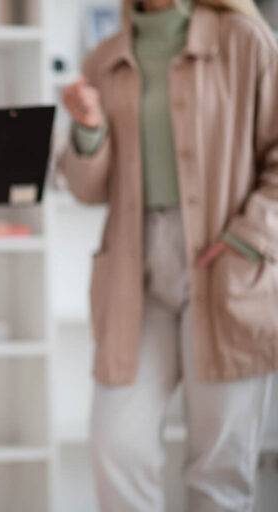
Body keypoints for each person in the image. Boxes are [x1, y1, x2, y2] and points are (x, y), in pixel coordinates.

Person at [60, 0, 277, 510]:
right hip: (135, 273)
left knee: (219, 467)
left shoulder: (245, 38)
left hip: (229, 265)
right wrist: (89, 128)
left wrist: (249, 238)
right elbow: (88, 188)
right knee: (117, 444)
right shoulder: (105, 58)